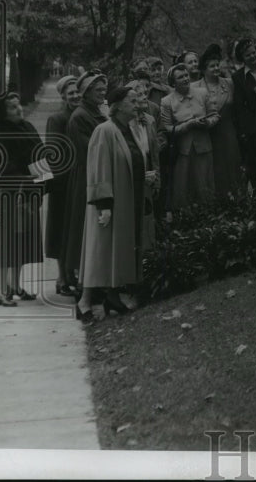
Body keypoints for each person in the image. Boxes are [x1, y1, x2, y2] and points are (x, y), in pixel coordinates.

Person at [75, 87, 152, 323]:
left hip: (129, 199)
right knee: (100, 251)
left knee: (117, 251)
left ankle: (113, 297)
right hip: (109, 203)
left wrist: (145, 177)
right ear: (117, 106)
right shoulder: (104, 131)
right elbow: (99, 169)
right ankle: (84, 302)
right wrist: (104, 204)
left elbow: (133, 160)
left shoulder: (129, 130)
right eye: (131, 101)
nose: (136, 104)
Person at [0, 92, 44, 306]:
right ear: (2, 113)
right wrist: (19, 173)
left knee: (22, 241)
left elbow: (40, 156)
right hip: (10, 196)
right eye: (12, 107)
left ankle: (15, 286)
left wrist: (41, 184)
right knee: (7, 243)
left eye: (18, 105)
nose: (19, 109)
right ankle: (1, 291)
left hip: (28, 194)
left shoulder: (27, 128)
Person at [61, 70, 108, 288]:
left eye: (103, 89)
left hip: (97, 175)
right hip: (85, 178)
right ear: (87, 93)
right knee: (82, 227)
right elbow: (89, 149)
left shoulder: (96, 112)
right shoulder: (80, 117)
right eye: (98, 90)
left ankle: (91, 280)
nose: (102, 92)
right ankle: (83, 283)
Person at [160, 63, 215, 211]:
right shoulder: (167, 102)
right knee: (183, 188)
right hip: (182, 150)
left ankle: (208, 219)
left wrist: (207, 123)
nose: (185, 79)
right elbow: (167, 128)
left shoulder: (202, 93)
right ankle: (185, 221)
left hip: (203, 147)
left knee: (204, 186)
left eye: (186, 75)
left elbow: (214, 115)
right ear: (173, 82)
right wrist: (188, 125)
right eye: (180, 77)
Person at [45, 74, 81, 296]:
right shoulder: (58, 119)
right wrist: (47, 183)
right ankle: (62, 278)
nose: (75, 96)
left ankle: (70, 275)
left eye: (77, 92)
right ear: (63, 96)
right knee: (60, 230)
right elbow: (51, 152)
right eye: (71, 93)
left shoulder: (81, 116)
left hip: (78, 180)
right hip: (62, 182)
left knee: (72, 230)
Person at [192, 43, 241, 196]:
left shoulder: (230, 84)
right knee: (210, 168)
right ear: (203, 69)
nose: (216, 68)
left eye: (217, 65)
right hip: (207, 134)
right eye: (211, 66)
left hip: (228, 133)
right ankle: (211, 203)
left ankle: (234, 201)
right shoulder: (194, 87)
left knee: (231, 166)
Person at [128, 79, 161, 250]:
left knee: (148, 217)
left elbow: (154, 153)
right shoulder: (125, 123)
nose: (144, 98)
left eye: (144, 94)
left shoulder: (150, 120)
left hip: (149, 174)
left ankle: (147, 256)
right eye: (138, 95)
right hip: (131, 177)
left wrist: (157, 180)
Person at [231, 38, 256, 194]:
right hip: (252, 127)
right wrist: (246, 131)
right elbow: (239, 107)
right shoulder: (238, 77)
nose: (252, 57)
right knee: (253, 165)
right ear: (242, 58)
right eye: (247, 55)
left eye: (254, 53)